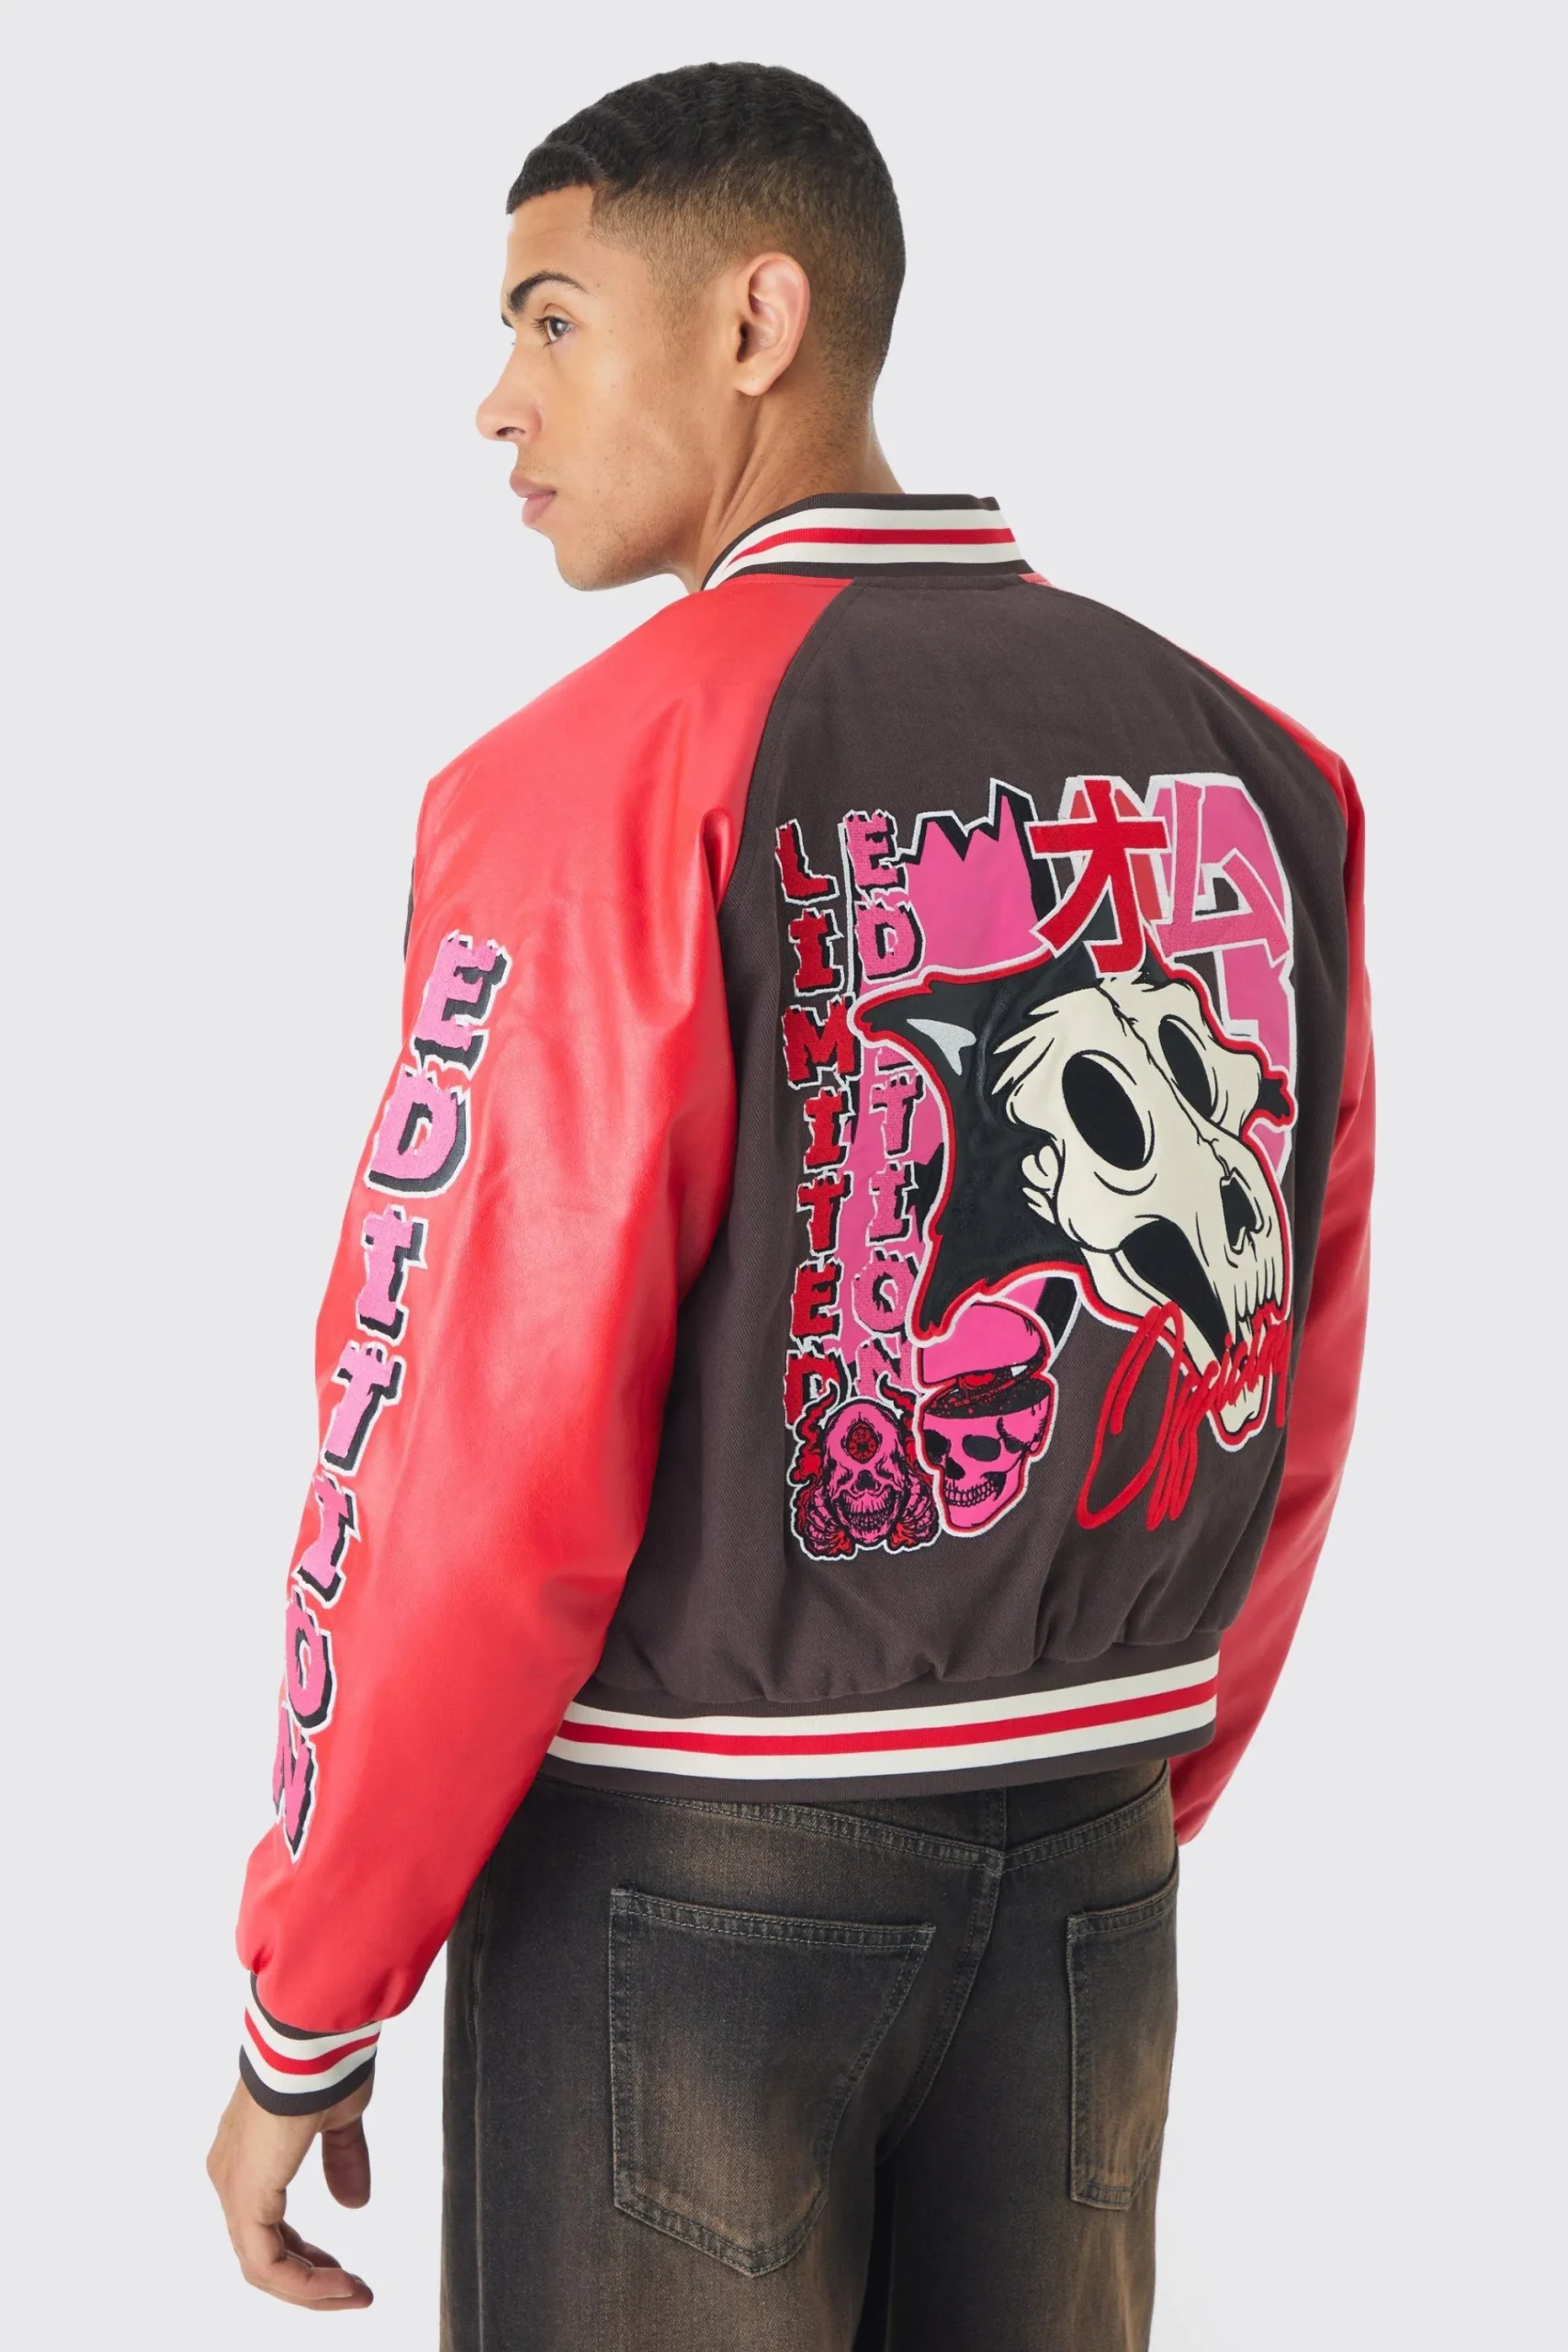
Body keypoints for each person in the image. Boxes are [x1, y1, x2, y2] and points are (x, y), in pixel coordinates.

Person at [207, 60, 1373, 2352]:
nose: (495, 400)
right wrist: (1135, 1776)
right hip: (1089, 1857)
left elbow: (467, 1439)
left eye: (549, 319)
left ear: (756, 320)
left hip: (688, 1890)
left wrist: (306, 1987)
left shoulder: (590, 781)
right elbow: (1288, 1345)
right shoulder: (1254, 762)